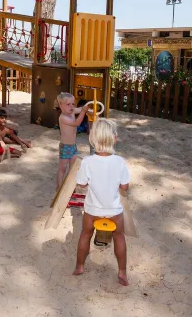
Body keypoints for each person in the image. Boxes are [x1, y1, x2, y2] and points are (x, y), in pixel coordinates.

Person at [73, 118, 130, 286]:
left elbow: (81, 184)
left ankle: (79, 266)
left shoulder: (87, 162)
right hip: (113, 210)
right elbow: (125, 187)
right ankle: (122, 272)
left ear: (93, 139)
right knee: (119, 237)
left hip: (92, 210)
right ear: (114, 138)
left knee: (85, 234)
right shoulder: (119, 161)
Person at [56, 92, 90, 190]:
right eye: (68, 104)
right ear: (61, 105)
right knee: (62, 168)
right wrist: (83, 112)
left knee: (72, 168)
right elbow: (76, 123)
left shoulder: (72, 111)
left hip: (73, 146)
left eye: (73, 104)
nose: (71, 107)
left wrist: (88, 109)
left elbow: (80, 109)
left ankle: (70, 186)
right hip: (65, 146)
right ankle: (59, 187)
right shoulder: (63, 117)